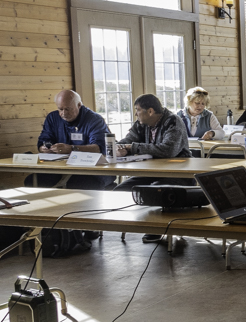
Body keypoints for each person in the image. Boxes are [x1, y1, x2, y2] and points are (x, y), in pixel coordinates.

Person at [114, 94, 193, 241]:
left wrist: (132, 147)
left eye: (138, 110)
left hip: (178, 174)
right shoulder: (141, 123)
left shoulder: (173, 121)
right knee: (119, 191)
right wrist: (119, 147)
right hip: (151, 172)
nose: (136, 114)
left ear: (150, 111)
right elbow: (128, 140)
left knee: (154, 191)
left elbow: (168, 150)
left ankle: (156, 227)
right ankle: (127, 224)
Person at [31, 89, 113, 190]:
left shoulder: (94, 119)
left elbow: (100, 148)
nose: (64, 113)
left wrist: (72, 149)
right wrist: (44, 148)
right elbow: (43, 140)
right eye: (60, 109)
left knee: (80, 183)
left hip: (94, 167)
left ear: (79, 105)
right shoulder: (52, 118)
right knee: (32, 181)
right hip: (60, 167)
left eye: (68, 109)